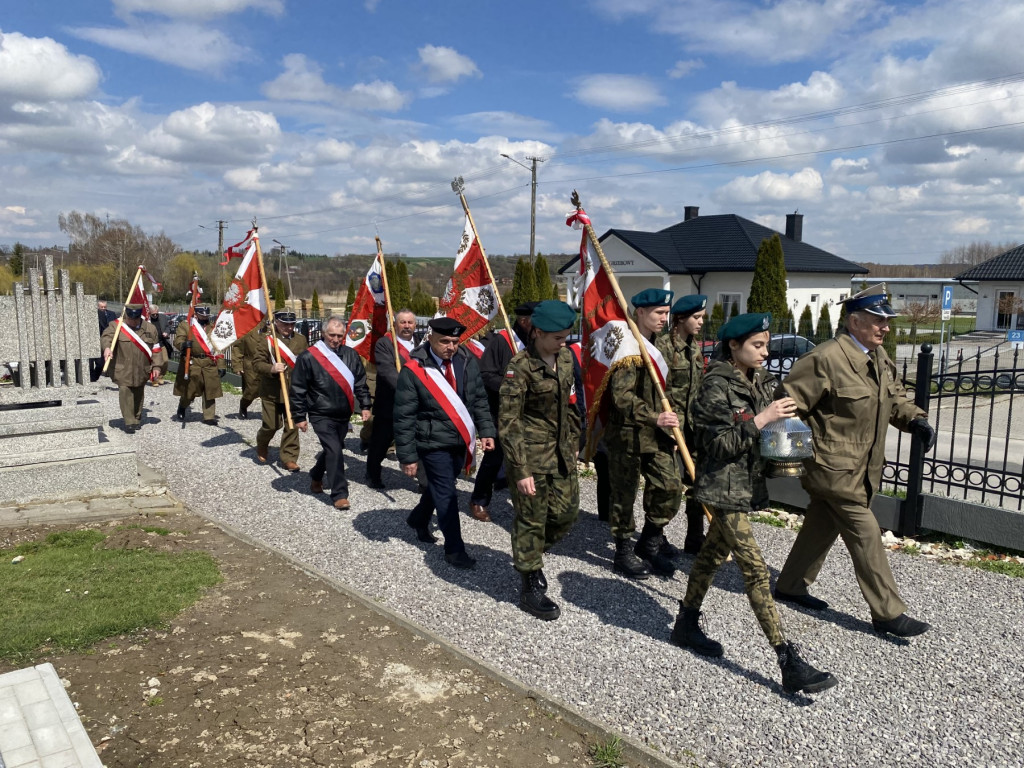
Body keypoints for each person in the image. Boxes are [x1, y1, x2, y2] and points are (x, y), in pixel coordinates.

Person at [671, 312, 837, 695]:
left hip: (746, 486)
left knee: (711, 556)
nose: (765, 352)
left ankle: (686, 622)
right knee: (756, 570)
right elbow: (715, 446)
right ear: (734, 346)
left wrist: (787, 421)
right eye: (757, 345)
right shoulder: (714, 387)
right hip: (721, 489)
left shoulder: (761, 380)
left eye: (766, 344)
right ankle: (787, 659)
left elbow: (771, 428)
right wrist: (762, 418)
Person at [773, 285, 936, 637]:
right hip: (829, 468)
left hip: (861, 468)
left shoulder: (877, 358)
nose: (886, 327)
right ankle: (887, 612)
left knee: (821, 524)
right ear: (855, 320)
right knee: (866, 532)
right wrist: (789, 465)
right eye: (879, 320)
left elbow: (893, 401)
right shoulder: (826, 359)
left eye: (887, 321)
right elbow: (785, 408)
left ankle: (789, 585)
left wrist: (916, 420)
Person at [499, 301, 584, 621]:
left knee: (566, 514)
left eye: (566, 336)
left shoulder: (564, 358)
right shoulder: (519, 367)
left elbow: (571, 404)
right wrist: (520, 469)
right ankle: (530, 581)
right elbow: (508, 422)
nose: (564, 342)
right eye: (557, 337)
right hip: (531, 457)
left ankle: (529, 552)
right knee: (531, 519)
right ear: (536, 332)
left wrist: (574, 441)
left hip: (562, 452)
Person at [394, 316, 496, 568]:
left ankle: (418, 518)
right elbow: (404, 416)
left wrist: (487, 431)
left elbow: (479, 399)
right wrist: (407, 457)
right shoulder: (414, 368)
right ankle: (454, 549)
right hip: (431, 442)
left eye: (454, 341)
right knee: (447, 494)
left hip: (460, 439)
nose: (451, 347)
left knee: (441, 487)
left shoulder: (467, 360)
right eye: (444, 342)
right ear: (430, 338)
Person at [605, 288, 683, 579]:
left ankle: (650, 542)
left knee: (670, 486)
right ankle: (623, 551)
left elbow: (669, 389)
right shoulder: (628, 346)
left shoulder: (659, 344)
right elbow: (621, 397)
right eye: (659, 313)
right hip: (628, 434)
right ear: (640, 312)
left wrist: (674, 427)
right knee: (623, 496)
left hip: (658, 434)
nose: (665, 318)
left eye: (666, 313)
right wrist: (655, 417)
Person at [290, 315, 371, 510]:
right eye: (331, 335)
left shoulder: (351, 356)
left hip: (343, 413)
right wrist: (299, 416)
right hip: (320, 413)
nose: (335, 339)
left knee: (332, 450)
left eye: (339, 335)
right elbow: (298, 389)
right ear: (323, 333)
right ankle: (339, 494)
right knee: (335, 450)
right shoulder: (309, 357)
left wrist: (366, 405)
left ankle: (316, 475)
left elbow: (360, 383)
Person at [470, 301, 539, 521]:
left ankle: (526, 504)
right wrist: (512, 387)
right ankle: (479, 500)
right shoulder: (502, 342)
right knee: (494, 458)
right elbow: (486, 374)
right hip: (501, 411)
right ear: (524, 321)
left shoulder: (538, 343)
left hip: (528, 413)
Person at [657, 294, 708, 554]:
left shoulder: (695, 348)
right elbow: (657, 390)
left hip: (692, 427)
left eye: (702, 317)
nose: (701, 322)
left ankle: (695, 536)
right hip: (669, 426)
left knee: (698, 481)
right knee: (668, 484)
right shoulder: (663, 347)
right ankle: (657, 534)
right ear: (680, 319)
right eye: (696, 318)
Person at [366, 308, 417, 489]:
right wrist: (409, 390)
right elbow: (387, 372)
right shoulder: (385, 344)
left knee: (419, 441)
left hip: (415, 405)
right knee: (381, 442)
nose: (406, 326)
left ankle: (425, 481)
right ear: (395, 324)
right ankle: (372, 474)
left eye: (410, 322)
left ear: (415, 325)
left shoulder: (421, 344)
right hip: (390, 403)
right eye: (402, 322)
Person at [253, 311, 308, 471]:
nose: (288, 327)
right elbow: (257, 363)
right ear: (276, 322)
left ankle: (289, 457)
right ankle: (262, 443)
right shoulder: (267, 340)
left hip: (293, 391)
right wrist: (271, 368)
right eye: (285, 324)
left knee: (292, 424)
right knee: (271, 425)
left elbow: (305, 361)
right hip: (272, 391)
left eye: (291, 324)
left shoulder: (301, 339)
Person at [101, 304, 166, 433]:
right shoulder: (117, 325)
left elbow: (156, 349)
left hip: (142, 367)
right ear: (127, 315)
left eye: (136, 319)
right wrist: (107, 348)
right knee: (125, 391)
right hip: (123, 367)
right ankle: (129, 421)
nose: (133, 321)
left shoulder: (150, 328)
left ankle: (136, 417)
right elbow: (106, 337)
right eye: (131, 318)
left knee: (138, 391)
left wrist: (157, 366)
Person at [173, 305, 225, 425]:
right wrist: (183, 344)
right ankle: (183, 405)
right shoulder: (186, 326)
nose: (205, 317)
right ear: (196, 314)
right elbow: (177, 340)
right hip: (193, 362)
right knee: (190, 391)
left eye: (206, 315)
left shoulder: (213, 327)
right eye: (202, 315)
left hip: (209, 362)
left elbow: (219, 347)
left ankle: (209, 416)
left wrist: (221, 365)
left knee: (210, 390)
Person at [234, 324, 266, 418]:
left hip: (267, 364)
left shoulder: (271, 330)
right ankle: (244, 405)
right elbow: (238, 348)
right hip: (251, 363)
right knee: (252, 389)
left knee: (268, 389)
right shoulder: (247, 330)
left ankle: (269, 414)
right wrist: (237, 366)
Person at [91, 300, 119, 382]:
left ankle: (95, 377)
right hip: (95, 339)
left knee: (101, 363)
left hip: (106, 339)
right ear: (98, 307)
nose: (103, 309)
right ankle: (91, 379)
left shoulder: (112, 314)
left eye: (104, 307)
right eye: (101, 307)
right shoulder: (93, 314)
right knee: (90, 363)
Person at [148, 304, 171, 386]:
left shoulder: (163, 317)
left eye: (156, 314)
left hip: (161, 342)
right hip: (152, 344)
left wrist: (166, 332)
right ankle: (154, 379)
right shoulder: (147, 321)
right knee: (154, 362)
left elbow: (168, 327)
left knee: (165, 361)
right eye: (153, 314)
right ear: (149, 313)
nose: (155, 316)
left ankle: (160, 376)